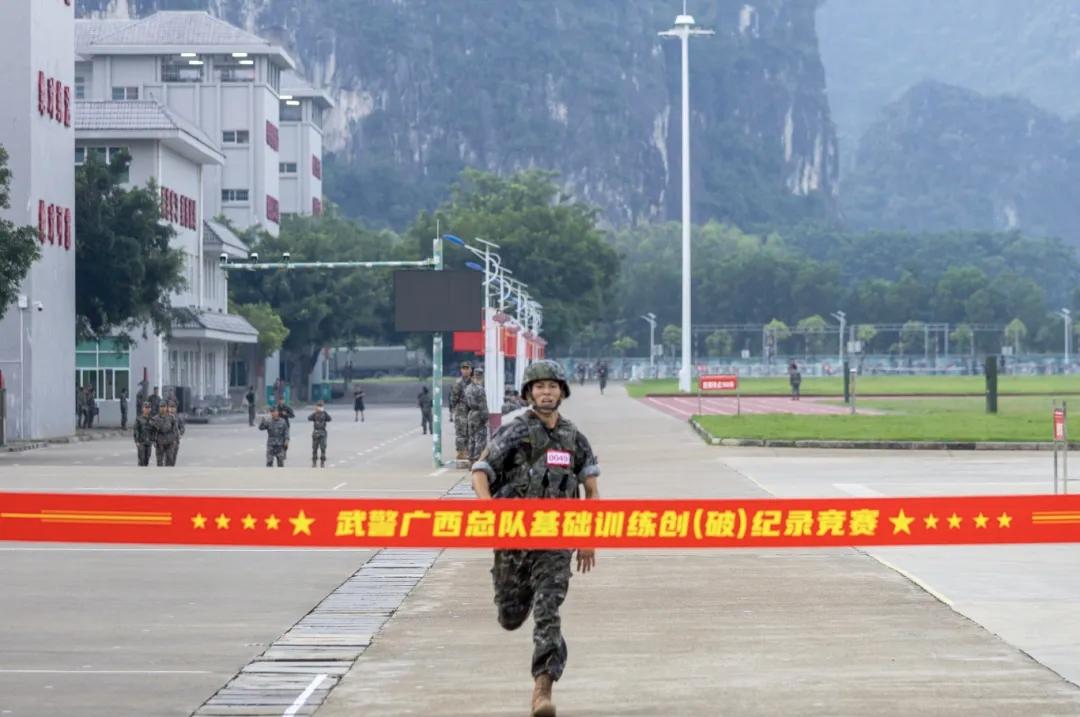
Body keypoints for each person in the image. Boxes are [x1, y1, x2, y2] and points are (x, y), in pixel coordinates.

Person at [470, 360, 600, 717]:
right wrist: (488, 510)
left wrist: (587, 537)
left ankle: (542, 690)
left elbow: (591, 490)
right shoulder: (514, 432)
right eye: (539, 387)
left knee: (548, 610)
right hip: (513, 540)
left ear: (562, 392)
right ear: (529, 393)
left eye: (552, 386)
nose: (546, 392)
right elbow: (480, 472)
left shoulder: (574, 437)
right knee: (510, 616)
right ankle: (518, 597)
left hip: (556, 541)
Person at [464, 366, 490, 462]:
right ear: (481, 376)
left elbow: (466, 404)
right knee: (480, 439)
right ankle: (478, 460)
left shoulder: (468, 388)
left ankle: (471, 459)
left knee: (471, 438)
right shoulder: (480, 389)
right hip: (479, 415)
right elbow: (483, 406)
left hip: (471, 414)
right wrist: (486, 419)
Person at [450, 362, 473, 460]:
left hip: (472, 412)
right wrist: (453, 410)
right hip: (461, 412)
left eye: (467, 368)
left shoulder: (474, 382)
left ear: (471, 370)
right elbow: (453, 398)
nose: (465, 370)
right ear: (461, 370)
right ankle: (460, 453)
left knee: (471, 433)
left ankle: (468, 452)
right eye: (463, 368)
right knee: (460, 434)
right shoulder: (458, 383)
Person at [151, 402, 178, 467]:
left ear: (167, 408)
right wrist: (153, 440)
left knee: (169, 460)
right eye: (161, 407)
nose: (163, 408)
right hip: (160, 441)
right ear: (159, 408)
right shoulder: (155, 418)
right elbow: (153, 431)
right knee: (159, 461)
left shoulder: (171, 417)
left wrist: (175, 440)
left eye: (164, 407)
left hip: (169, 441)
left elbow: (174, 430)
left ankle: (168, 472)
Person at [308, 401, 332, 468]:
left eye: (321, 406)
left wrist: (324, 412)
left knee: (323, 448)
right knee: (314, 448)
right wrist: (315, 412)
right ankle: (314, 462)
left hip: (323, 432)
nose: (320, 408)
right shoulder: (315, 414)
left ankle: (322, 462)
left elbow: (329, 419)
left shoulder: (324, 414)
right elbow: (309, 418)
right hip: (316, 433)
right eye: (319, 406)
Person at [133, 401, 155, 467]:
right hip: (141, 441)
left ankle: (145, 470)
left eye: (148, 408)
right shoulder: (139, 419)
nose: (147, 409)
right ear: (143, 408)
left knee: (147, 458)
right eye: (146, 407)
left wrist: (153, 440)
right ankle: (140, 471)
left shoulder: (152, 419)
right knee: (141, 459)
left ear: (150, 409)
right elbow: (136, 430)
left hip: (149, 442)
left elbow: (154, 431)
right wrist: (136, 441)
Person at [167, 401, 185, 466]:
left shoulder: (178, 418)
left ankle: (171, 468)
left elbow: (182, 427)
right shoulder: (164, 417)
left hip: (175, 441)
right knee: (167, 458)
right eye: (170, 407)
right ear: (168, 408)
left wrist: (180, 433)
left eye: (173, 407)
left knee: (173, 458)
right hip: (166, 441)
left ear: (175, 408)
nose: (172, 409)